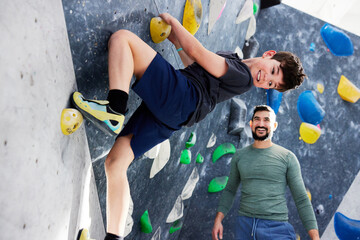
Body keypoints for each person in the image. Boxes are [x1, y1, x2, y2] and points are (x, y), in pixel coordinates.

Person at [72, 12, 306, 240]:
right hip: (178, 114)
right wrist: (177, 42)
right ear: (269, 55)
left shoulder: (242, 76)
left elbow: (198, 52)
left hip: (183, 97)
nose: (266, 80)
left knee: (122, 38)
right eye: (272, 71)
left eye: (272, 84)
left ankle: (115, 108)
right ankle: (114, 236)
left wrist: (174, 23)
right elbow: (197, 64)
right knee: (115, 163)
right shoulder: (236, 65)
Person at [212, 105, 319, 240]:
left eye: (266, 120)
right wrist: (218, 220)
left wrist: (315, 238)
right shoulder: (239, 156)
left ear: (274, 125)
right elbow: (230, 190)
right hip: (244, 227)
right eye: (257, 119)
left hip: (276, 228)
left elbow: (302, 199)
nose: (261, 124)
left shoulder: (287, 157)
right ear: (251, 124)